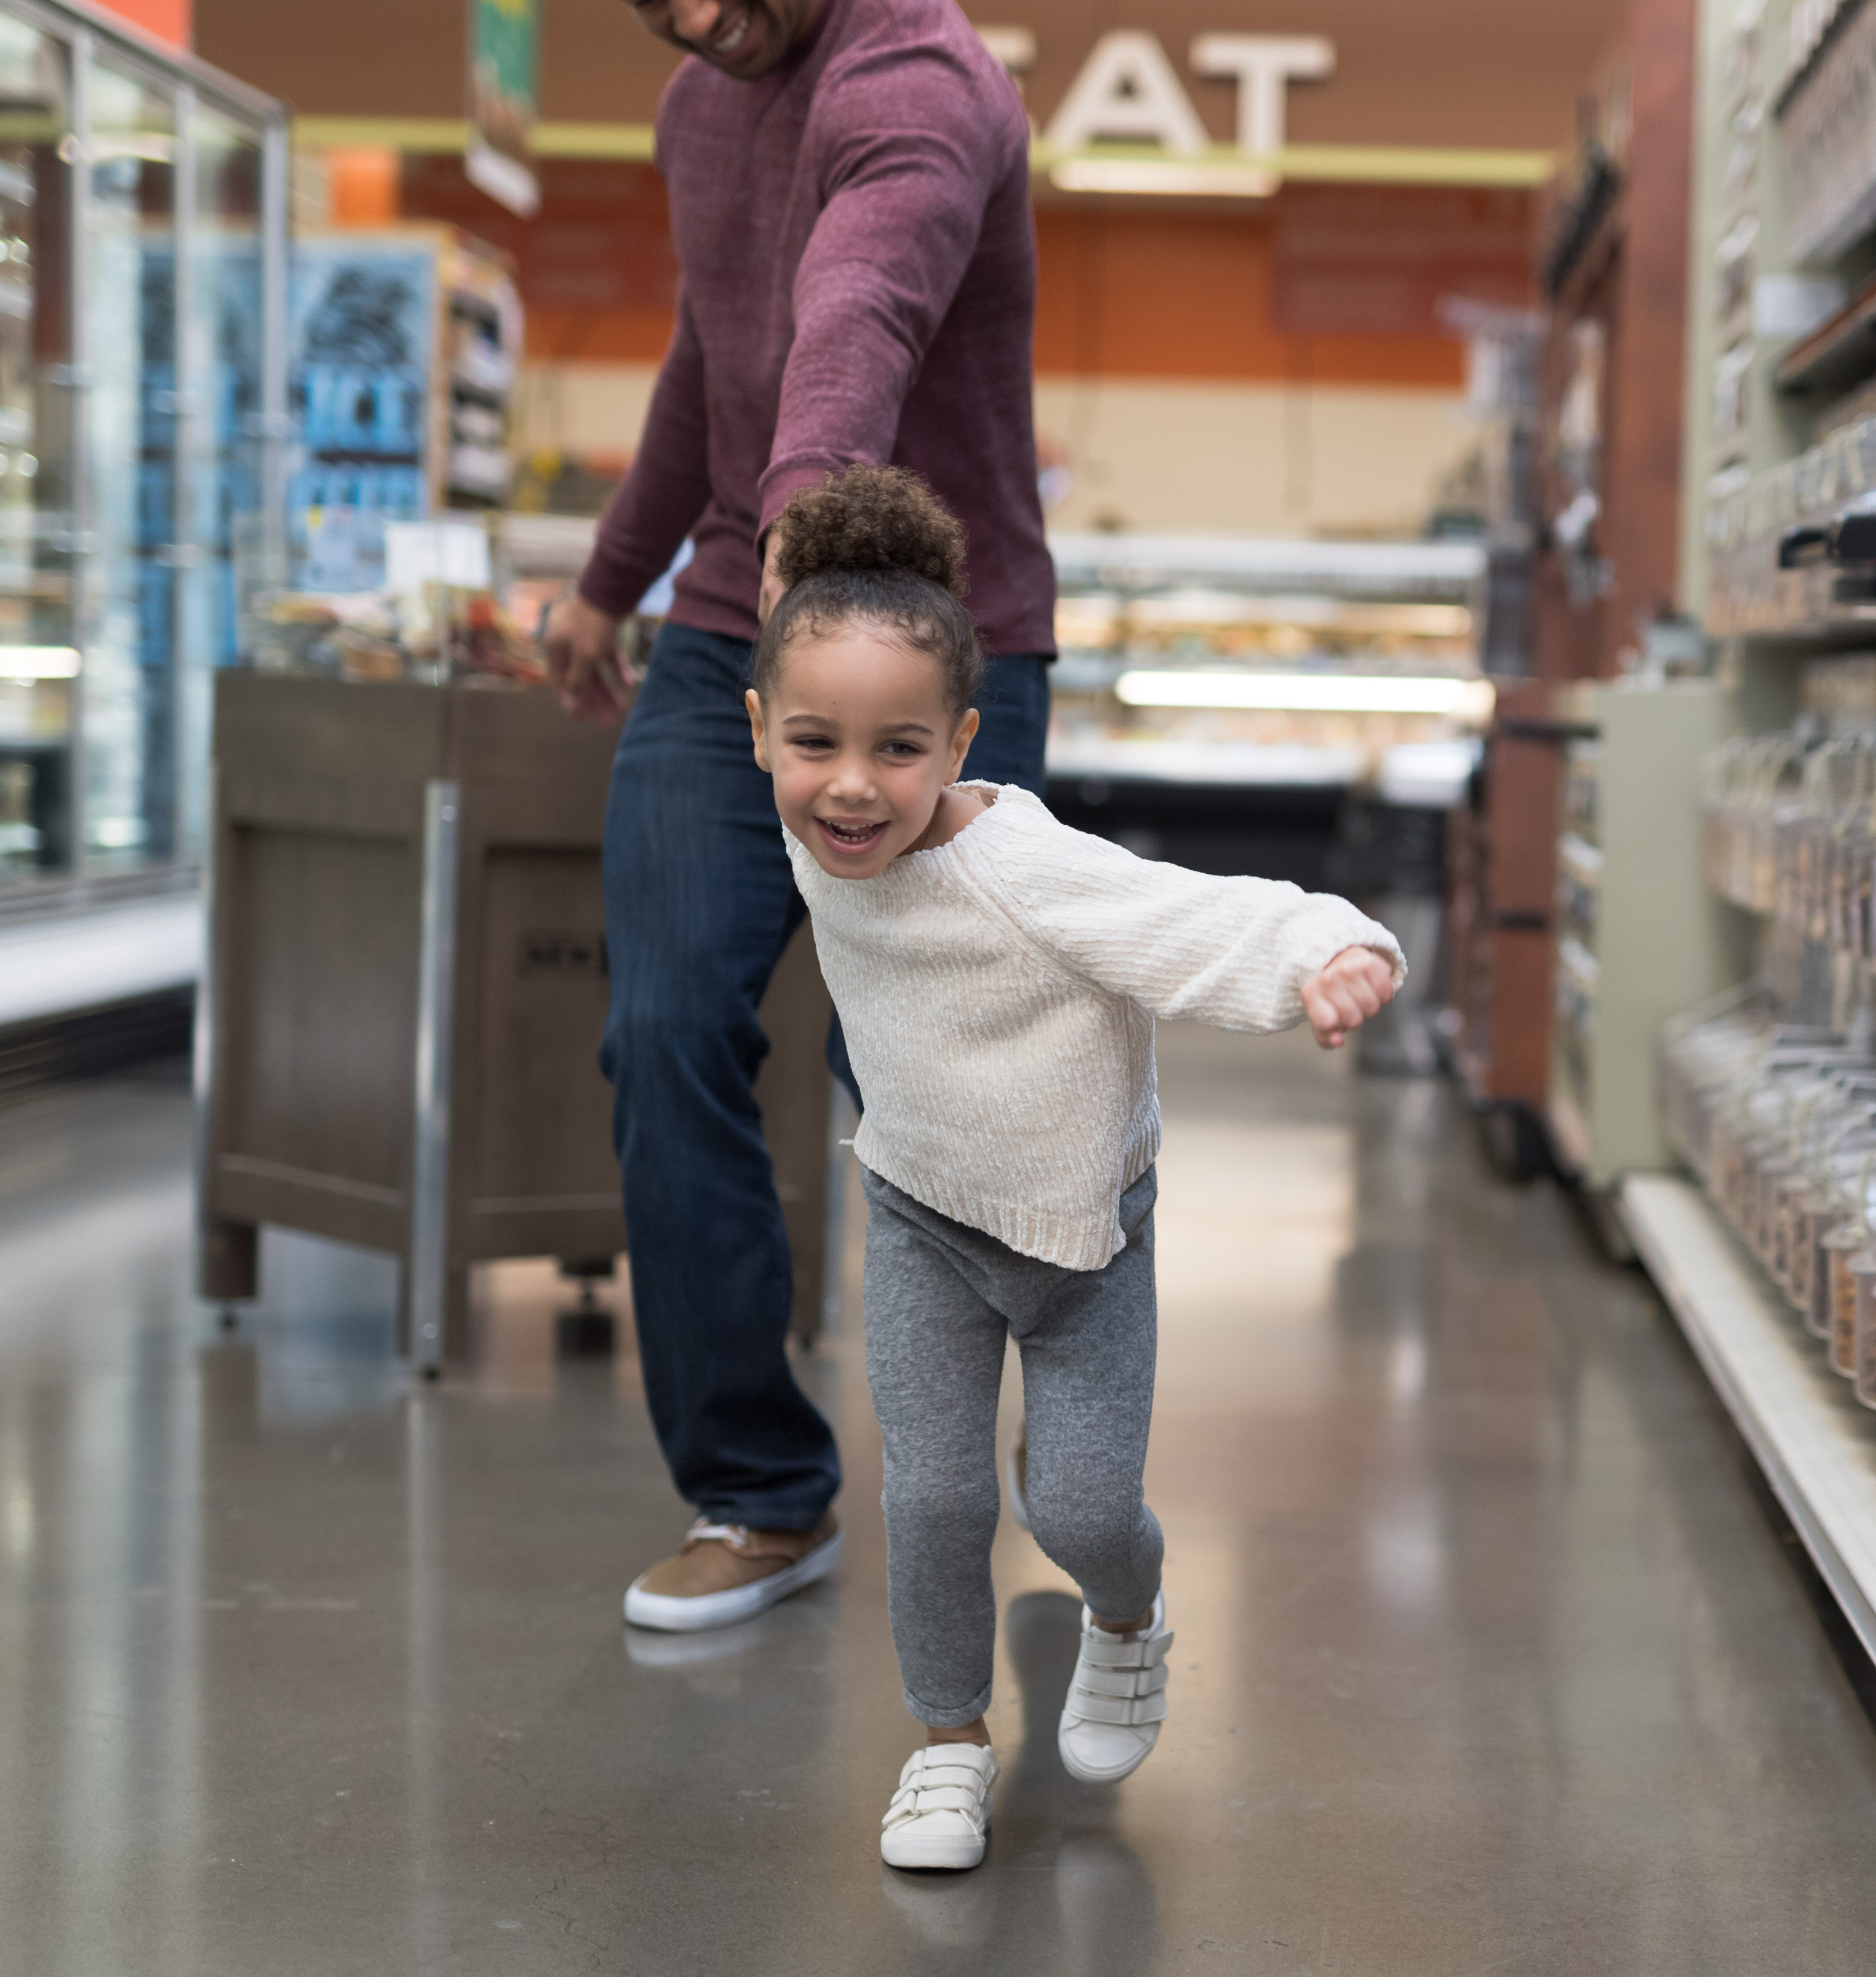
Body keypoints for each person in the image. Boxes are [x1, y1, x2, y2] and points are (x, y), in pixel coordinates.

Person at [741, 467, 1398, 1867]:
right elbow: (804, 624)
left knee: (1083, 1510)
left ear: (961, 740)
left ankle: (1124, 1615)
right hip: (918, 1209)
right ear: (759, 736)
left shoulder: (1024, 869)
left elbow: (1199, 912)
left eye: (899, 750)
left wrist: (1330, 951)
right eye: (814, 743)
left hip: (1083, 1239)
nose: (852, 786)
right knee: (932, 1497)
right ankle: (945, 1742)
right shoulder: (817, 828)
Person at [541, 0, 1056, 1633]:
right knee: (664, 1024)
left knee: (917, 1069)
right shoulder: (700, 110)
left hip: (930, 634)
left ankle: (1008, 1457)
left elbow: (863, 308)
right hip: (721, 634)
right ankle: (758, 1492)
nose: (699, 16)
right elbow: (712, 361)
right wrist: (608, 584)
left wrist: (805, 521)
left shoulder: (917, 81)